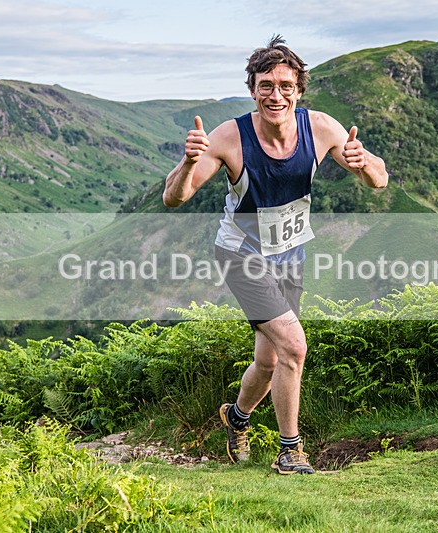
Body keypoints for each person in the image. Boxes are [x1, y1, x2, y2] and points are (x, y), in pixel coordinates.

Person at [163, 35, 388, 475]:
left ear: (299, 90)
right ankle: (291, 450)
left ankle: (237, 418)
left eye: (285, 85)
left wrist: (365, 164)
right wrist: (189, 162)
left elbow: (378, 181)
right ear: (252, 89)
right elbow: (176, 197)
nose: (275, 94)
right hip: (241, 254)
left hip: (290, 256)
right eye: (266, 85)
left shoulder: (320, 127)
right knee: (295, 346)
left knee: (269, 361)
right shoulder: (231, 137)